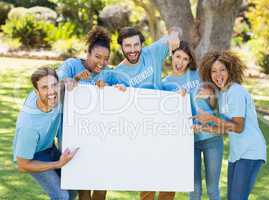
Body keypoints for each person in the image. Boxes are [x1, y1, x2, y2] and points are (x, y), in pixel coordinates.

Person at [114, 26, 180, 200]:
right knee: (148, 182)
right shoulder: (118, 73)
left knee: (169, 179)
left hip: (165, 125)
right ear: (121, 46)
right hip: (142, 132)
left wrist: (174, 35)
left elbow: (175, 33)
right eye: (128, 46)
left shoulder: (153, 53)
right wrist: (118, 91)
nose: (133, 50)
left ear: (142, 44)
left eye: (136, 45)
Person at [193, 51, 267, 200]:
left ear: (230, 71)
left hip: (250, 152)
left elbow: (238, 127)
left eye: (222, 70)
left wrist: (211, 119)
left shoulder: (236, 92)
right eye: (213, 71)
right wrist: (202, 127)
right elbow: (226, 128)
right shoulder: (223, 95)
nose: (218, 74)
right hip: (237, 155)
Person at [56, 25, 115, 200]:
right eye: (97, 56)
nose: (101, 62)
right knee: (83, 187)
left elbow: (124, 91)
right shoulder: (72, 65)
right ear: (87, 53)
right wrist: (70, 80)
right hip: (73, 136)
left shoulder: (107, 74)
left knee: (101, 185)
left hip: (100, 137)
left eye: (106, 58)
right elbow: (55, 84)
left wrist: (114, 88)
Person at [161, 41, 223, 200]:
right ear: (172, 56)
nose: (180, 62)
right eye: (178, 57)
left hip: (212, 138)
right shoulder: (165, 84)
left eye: (185, 59)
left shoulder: (199, 74)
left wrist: (210, 96)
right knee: (194, 190)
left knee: (212, 190)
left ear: (190, 61)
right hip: (188, 142)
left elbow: (216, 103)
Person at [13, 67, 79, 200]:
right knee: (61, 196)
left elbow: (63, 76)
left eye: (54, 85)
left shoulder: (56, 93)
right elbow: (22, 165)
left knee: (72, 187)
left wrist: (70, 80)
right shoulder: (29, 126)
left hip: (49, 147)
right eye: (44, 88)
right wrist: (57, 164)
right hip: (33, 156)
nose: (51, 91)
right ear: (36, 92)